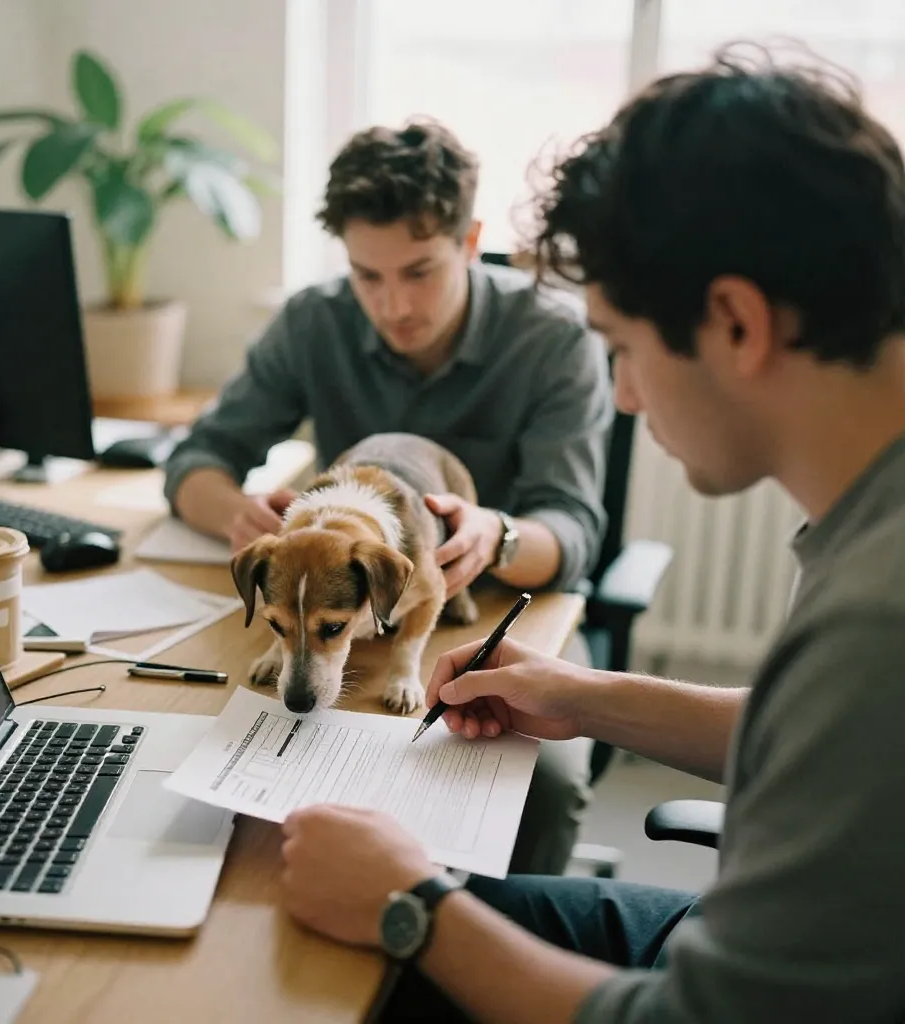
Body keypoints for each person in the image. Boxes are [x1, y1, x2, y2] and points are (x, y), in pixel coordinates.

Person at [276, 47, 905, 1024]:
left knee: (348, 974)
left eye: (619, 346)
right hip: (752, 940)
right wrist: (578, 693)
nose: (617, 389)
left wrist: (413, 911)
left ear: (735, 323)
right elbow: (811, 735)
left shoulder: (878, 615)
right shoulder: (867, 515)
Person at [164, 121, 614, 875]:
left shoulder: (552, 340)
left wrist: (495, 535)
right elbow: (197, 459)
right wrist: (237, 515)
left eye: (420, 271)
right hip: (338, 605)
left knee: (549, 781)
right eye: (367, 276)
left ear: (469, 240)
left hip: (503, 611)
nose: (393, 305)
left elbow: (572, 532)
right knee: (206, 739)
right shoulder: (315, 320)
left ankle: (499, 954)